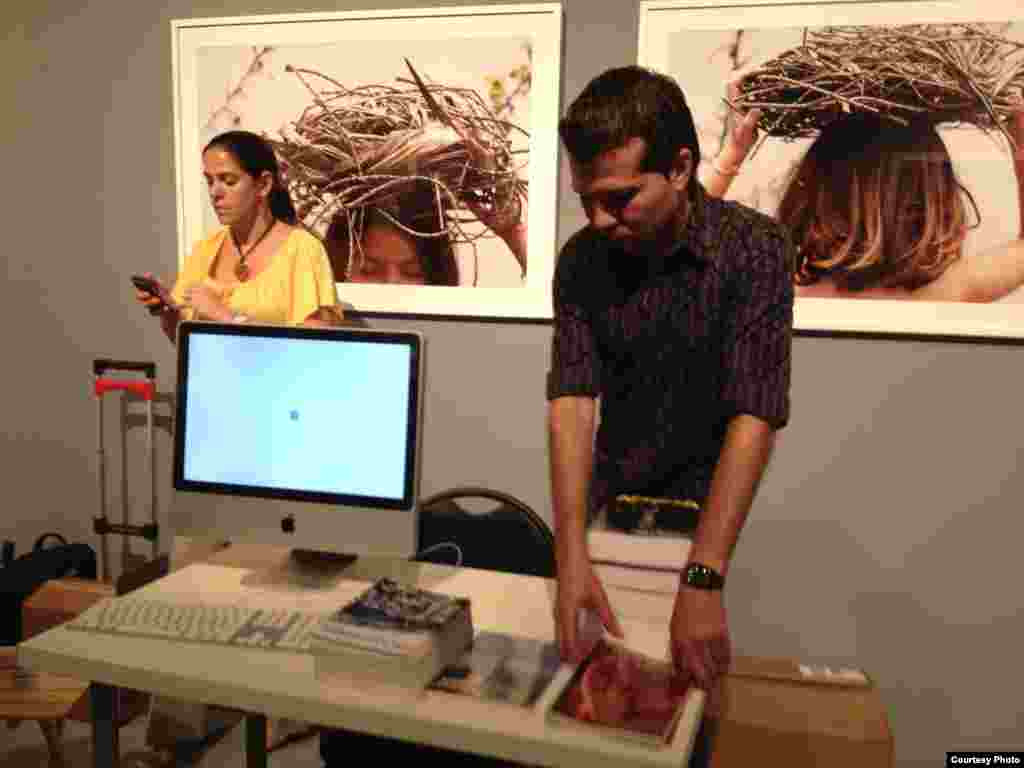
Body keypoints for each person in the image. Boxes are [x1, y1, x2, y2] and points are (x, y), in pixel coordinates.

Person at [548, 65, 794, 692]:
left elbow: (755, 410)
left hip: (714, 525)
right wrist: (570, 549)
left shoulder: (754, 249)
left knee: (693, 703)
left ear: (680, 169)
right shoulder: (581, 262)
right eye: (586, 199)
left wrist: (704, 576)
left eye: (619, 197)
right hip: (613, 521)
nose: (599, 219)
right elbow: (573, 399)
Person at [707, 96, 1024, 302]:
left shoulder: (776, 292)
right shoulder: (948, 292)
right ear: (932, 197)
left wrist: (730, 159)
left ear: (816, 191)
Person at [135, 130, 341, 338]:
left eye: (228, 181)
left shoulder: (304, 250)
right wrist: (169, 314)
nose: (215, 192)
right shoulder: (204, 250)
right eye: (210, 181)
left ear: (263, 184)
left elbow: (314, 349)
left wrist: (225, 316)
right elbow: (185, 344)